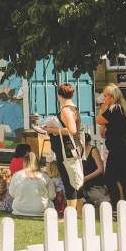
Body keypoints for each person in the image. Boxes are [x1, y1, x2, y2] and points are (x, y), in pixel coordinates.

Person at [44, 83, 84, 217]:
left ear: (59, 95)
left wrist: (51, 130)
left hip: (67, 150)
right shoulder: (73, 108)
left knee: (70, 181)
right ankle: (79, 212)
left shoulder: (66, 109)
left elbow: (72, 130)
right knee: (76, 179)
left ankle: (71, 214)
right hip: (70, 149)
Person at [95, 84, 126, 208]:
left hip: (118, 148)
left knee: (110, 178)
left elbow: (98, 119)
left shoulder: (114, 108)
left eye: (106, 96)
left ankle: (116, 207)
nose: (104, 99)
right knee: (125, 178)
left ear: (113, 97)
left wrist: (105, 107)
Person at [9, 153, 55, 217]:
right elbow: (52, 195)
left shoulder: (16, 175)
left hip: (20, 208)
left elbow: (12, 193)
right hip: (41, 208)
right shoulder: (45, 176)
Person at [80, 134, 107, 205]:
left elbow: (100, 169)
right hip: (83, 183)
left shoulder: (93, 150)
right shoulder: (78, 151)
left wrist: (86, 178)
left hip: (94, 183)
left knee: (102, 200)